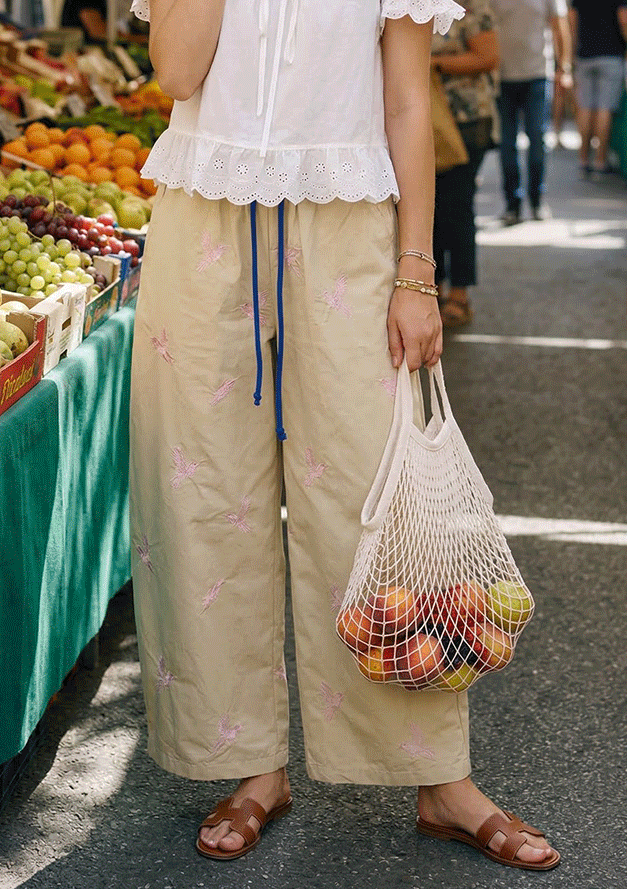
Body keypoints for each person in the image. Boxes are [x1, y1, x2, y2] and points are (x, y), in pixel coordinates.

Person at [128, 0, 560, 872]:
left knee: (370, 498)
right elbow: (175, 73)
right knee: (203, 489)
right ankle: (250, 762)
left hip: (349, 220)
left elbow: (406, 99)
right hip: (203, 212)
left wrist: (416, 271)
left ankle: (437, 777)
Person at [431, 0, 500, 328]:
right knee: (428, 210)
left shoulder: (472, 6)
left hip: (466, 121)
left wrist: (433, 63)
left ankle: (459, 293)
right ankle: (433, 289)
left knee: (456, 209)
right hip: (428, 122)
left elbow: (488, 57)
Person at [490, 0, 574, 224]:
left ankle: (536, 201)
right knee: (507, 143)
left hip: (537, 75)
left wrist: (564, 68)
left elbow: (560, 27)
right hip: (502, 77)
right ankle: (512, 204)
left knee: (537, 139)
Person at [569, 0, 627, 175]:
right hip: (611, 54)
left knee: (585, 107)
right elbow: (623, 20)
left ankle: (583, 159)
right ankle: (600, 161)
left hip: (584, 54)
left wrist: (572, 52)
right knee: (604, 108)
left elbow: (572, 21)